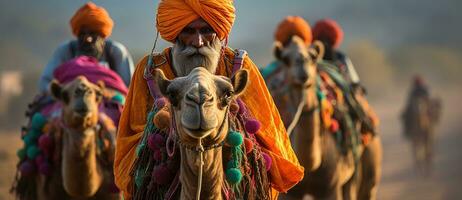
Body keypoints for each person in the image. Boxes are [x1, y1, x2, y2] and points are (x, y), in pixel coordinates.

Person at [114, 0, 303, 199]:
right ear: (175, 34)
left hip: (232, 166)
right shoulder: (151, 70)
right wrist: (168, 124)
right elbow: (132, 135)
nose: (198, 42)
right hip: (163, 166)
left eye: (206, 31)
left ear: (219, 31)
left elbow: (266, 131)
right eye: (188, 31)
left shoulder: (238, 65)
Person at [39, 2, 134, 92]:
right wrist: (64, 93)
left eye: (93, 34)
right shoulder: (66, 50)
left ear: (102, 36)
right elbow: (45, 83)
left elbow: (130, 88)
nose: (88, 39)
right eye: (82, 34)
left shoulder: (115, 51)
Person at [312, 18, 362, 91]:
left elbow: (354, 81)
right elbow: (354, 80)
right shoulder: (313, 57)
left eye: (326, 39)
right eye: (322, 39)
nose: (324, 43)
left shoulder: (341, 57)